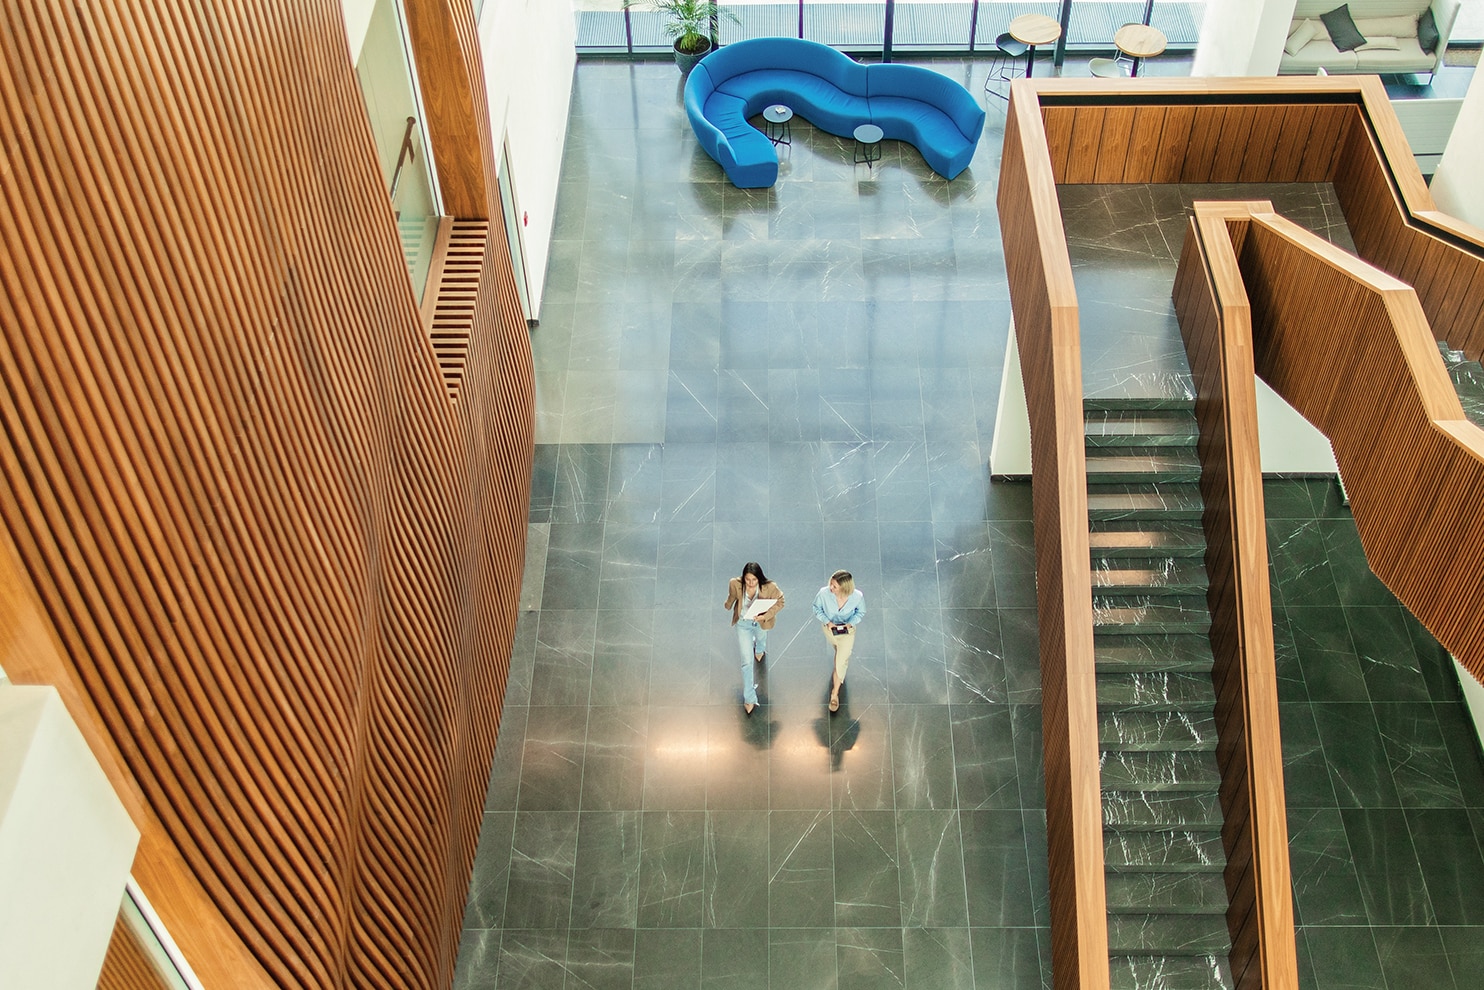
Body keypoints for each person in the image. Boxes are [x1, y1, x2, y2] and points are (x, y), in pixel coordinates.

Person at [724, 562, 785, 715]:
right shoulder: (735, 583)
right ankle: (749, 697)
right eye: (748, 580)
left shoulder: (770, 587)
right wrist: (728, 604)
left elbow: (781, 601)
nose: (750, 584)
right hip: (743, 623)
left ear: (759, 579)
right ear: (743, 578)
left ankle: (760, 648)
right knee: (746, 661)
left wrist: (765, 616)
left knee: (761, 638)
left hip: (760, 622)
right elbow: (732, 596)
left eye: (754, 580)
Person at [812, 569, 865, 713]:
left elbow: (861, 612)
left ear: (844, 588)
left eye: (835, 586)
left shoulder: (857, 596)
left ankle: (834, 693)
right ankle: (839, 656)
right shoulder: (823, 594)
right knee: (838, 651)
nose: (831, 588)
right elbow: (816, 608)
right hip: (830, 630)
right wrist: (828, 622)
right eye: (831, 584)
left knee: (841, 662)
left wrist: (850, 623)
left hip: (847, 633)